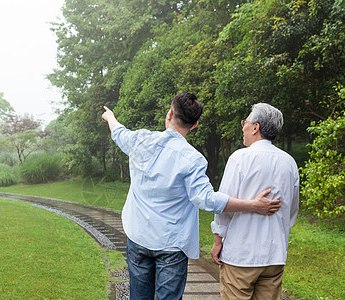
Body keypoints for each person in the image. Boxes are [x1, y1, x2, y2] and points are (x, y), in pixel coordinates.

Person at [101, 93, 281, 300]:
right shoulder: (193, 159)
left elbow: (119, 132)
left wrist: (111, 117)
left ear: (169, 114)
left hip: (138, 237)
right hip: (172, 245)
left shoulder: (140, 140)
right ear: (194, 125)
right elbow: (206, 199)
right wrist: (253, 205)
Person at [210, 103, 299, 300]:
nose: (243, 127)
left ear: (255, 127)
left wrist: (218, 241)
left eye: (246, 122)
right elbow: (291, 212)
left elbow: (223, 204)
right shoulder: (289, 162)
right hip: (274, 256)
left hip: (241, 255)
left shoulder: (240, 158)